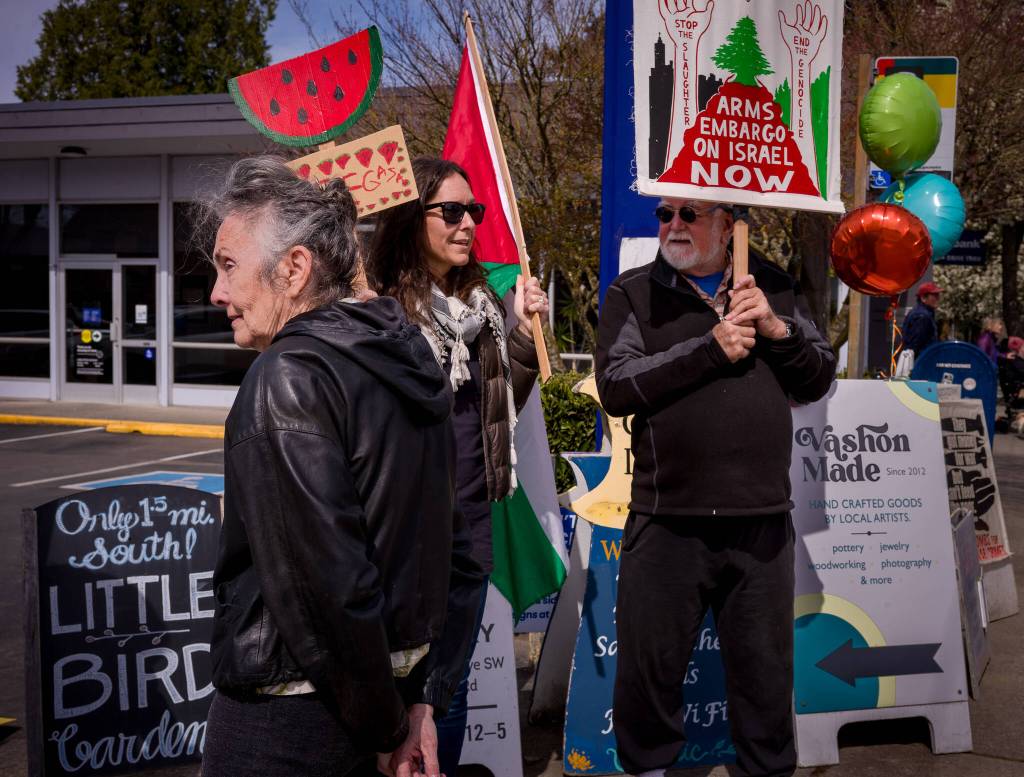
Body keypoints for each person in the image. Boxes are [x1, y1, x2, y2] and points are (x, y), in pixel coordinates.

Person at [201, 157, 484, 777]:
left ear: (295, 269)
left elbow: (326, 591)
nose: (216, 292)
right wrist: (419, 706)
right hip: (385, 702)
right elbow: (460, 562)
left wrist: (386, 726)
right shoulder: (411, 360)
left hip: (291, 720)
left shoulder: (286, 377)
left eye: (228, 266)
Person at [595, 197, 836, 777]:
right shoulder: (633, 292)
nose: (672, 225)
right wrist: (709, 349)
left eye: (689, 214)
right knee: (649, 674)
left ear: (728, 226)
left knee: (765, 678)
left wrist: (776, 329)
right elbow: (617, 385)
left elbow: (818, 376)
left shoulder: (773, 284)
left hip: (761, 524)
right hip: (668, 519)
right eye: (664, 214)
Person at [366, 156, 549, 776]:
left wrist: (521, 334)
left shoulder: (482, 308)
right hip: (409, 535)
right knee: (400, 699)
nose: (468, 221)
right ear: (411, 218)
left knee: (449, 689)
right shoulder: (384, 313)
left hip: (472, 524)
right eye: (451, 210)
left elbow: (498, 412)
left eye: (474, 210)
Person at [902, 281, 943, 355]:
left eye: (938, 295)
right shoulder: (922, 316)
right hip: (921, 362)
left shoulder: (924, 313)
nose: (938, 298)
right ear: (923, 298)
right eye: (934, 295)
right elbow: (915, 345)